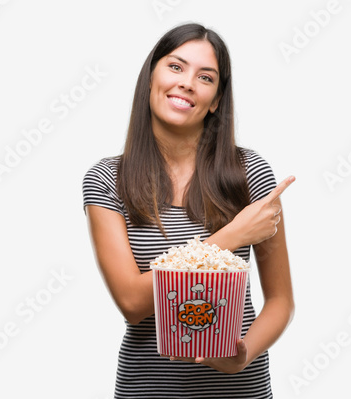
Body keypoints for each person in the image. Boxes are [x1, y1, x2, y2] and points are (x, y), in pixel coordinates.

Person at [82, 22, 295, 399]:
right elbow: (131, 302)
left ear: (215, 100)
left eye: (206, 77)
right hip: (147, 390)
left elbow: (281, 301)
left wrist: (244, 354)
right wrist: (230, 237)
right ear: (151, 78)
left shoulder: (250, 173)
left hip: (239, 389)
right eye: (176, 67)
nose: (187, 83)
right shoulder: (106, 179)